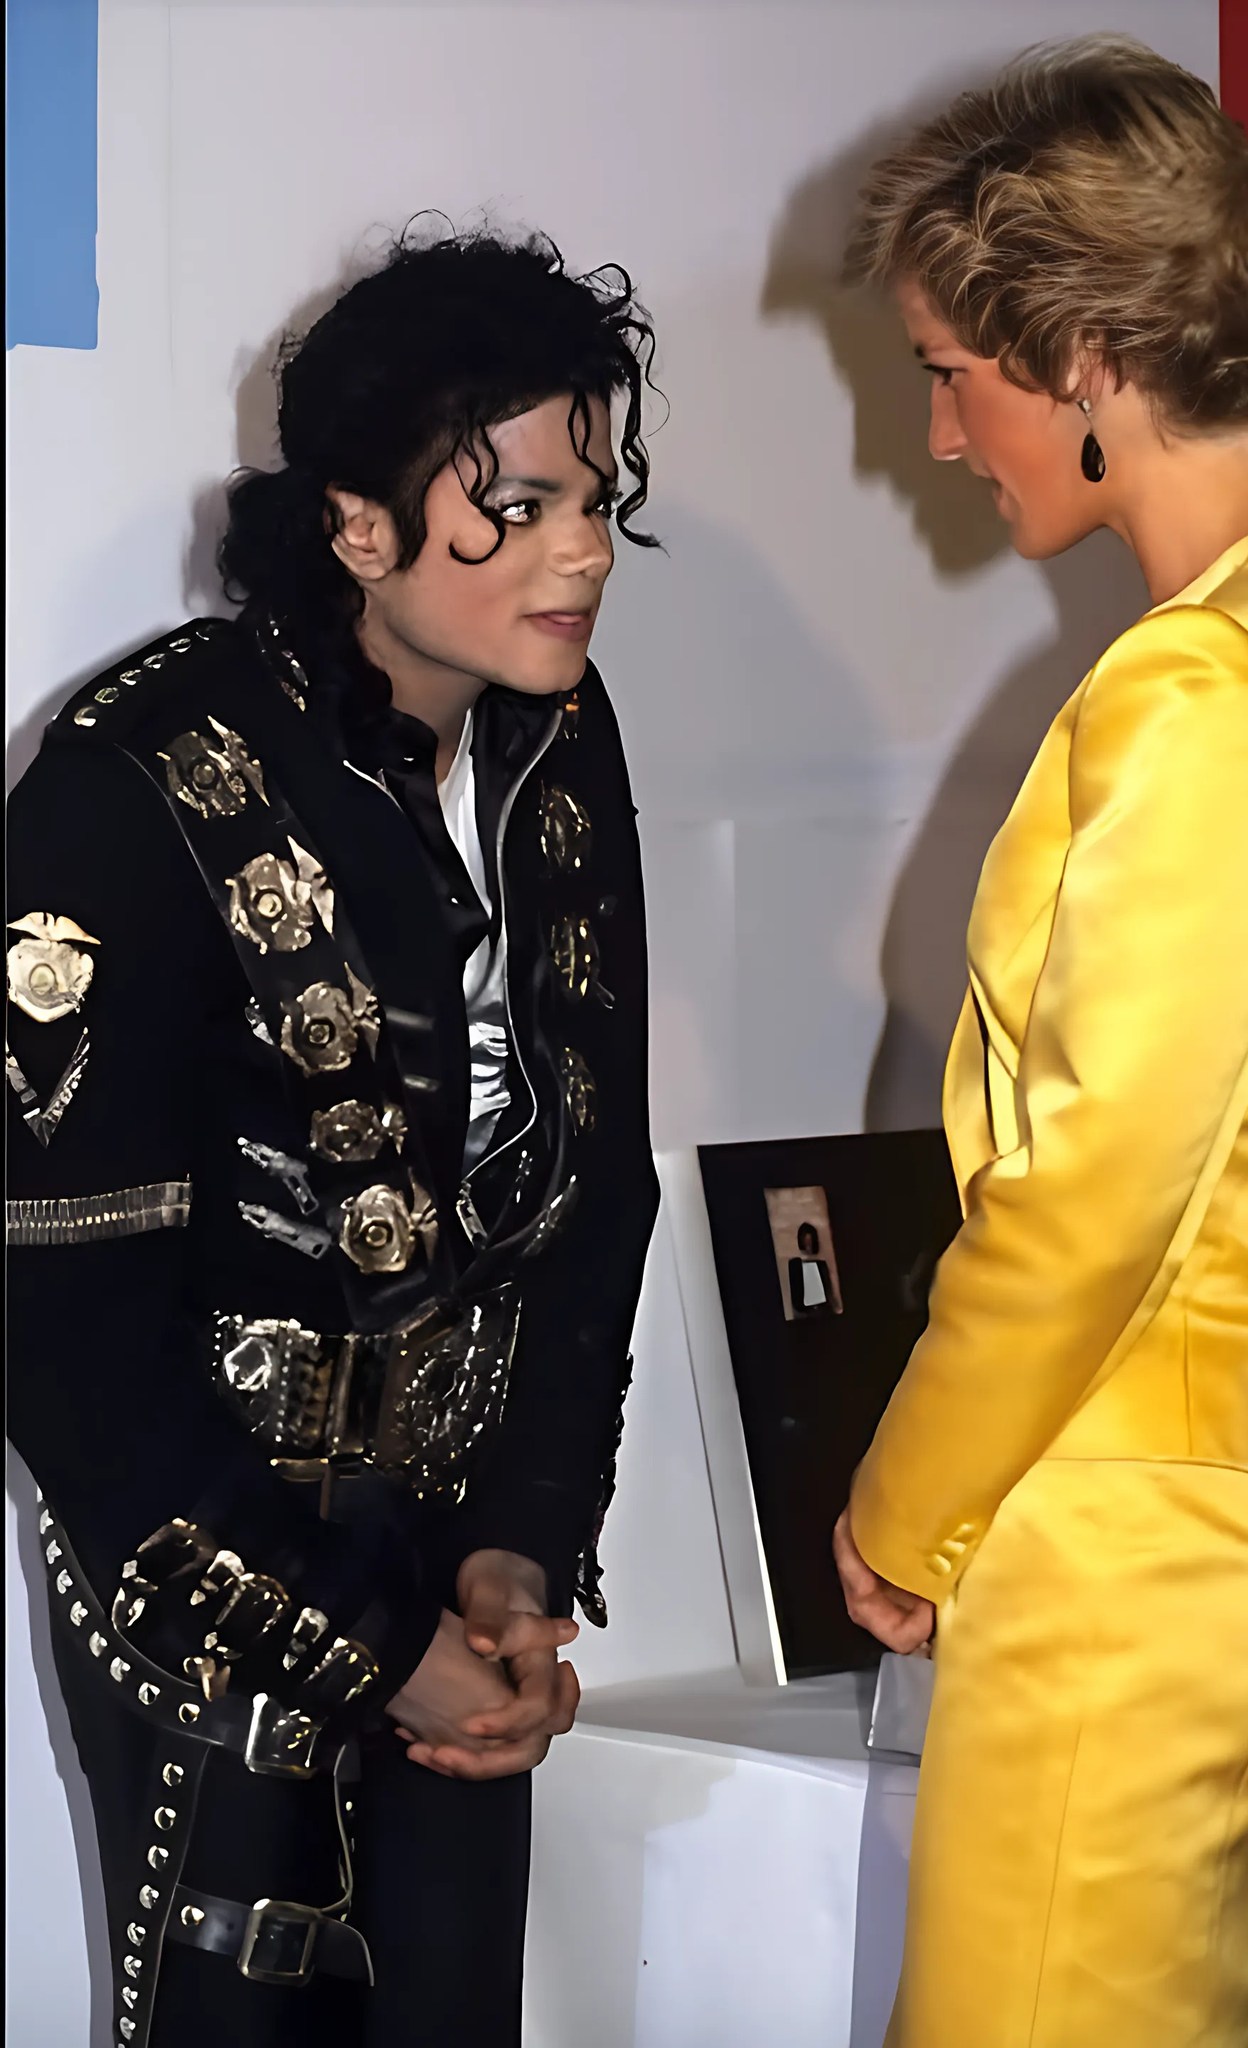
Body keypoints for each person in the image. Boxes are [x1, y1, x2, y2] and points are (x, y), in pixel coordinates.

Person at [829, 38, 1248, 2048]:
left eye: (951, 371)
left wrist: (903, 1501)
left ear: (1085, 354)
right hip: (1218, 1517)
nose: (938, 432)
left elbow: (1092, 1192)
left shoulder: (1205, 686)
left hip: (1130, 1551)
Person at [6, 224, 661, 2047]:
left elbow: (597, 1179)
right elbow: (62, 1345)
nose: (584, 553)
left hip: (459, 1566)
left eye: (595, 499)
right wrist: (373, 1644)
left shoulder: (557, 739)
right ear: (359, 527)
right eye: (517, 510)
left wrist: (520, 1550)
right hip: (209, 1577)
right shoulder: (135, 782)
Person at [788, 1221, 836, 1316]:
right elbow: (795, 1289)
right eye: (806, 1242)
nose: (808, 1246)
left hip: (823, 1308)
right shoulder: (795, 1264)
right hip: (804, 1311)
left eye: (810, 1242)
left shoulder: (821, 1263)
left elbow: (828, 1286)